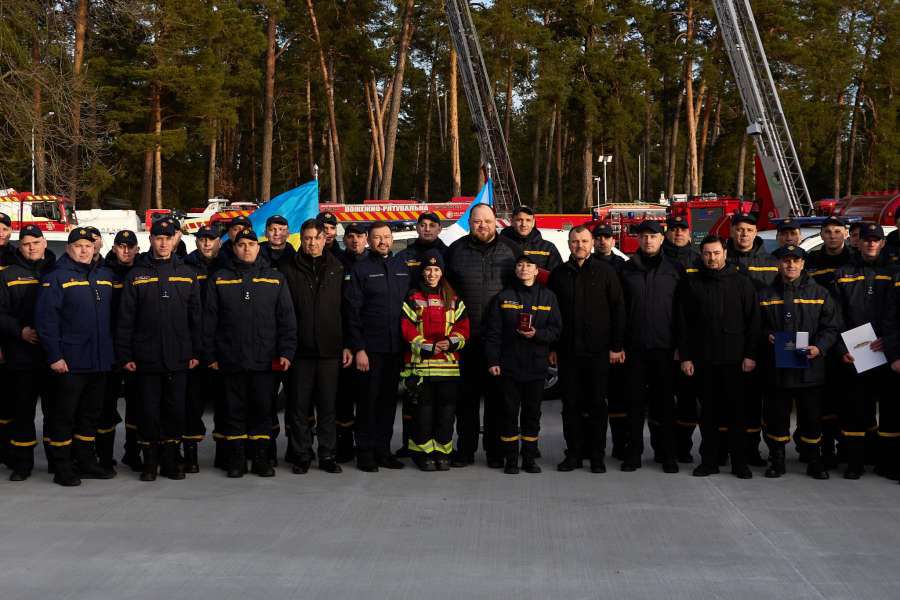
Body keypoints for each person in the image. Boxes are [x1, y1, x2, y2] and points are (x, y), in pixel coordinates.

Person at [203, 229, 296, 478]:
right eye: (241, 244)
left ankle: (261, 460)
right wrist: (210, 355)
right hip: (230, 360)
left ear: (258, 247)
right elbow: (209, 321)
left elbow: (286, 319)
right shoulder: (220, 278)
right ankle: (236, 461)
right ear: (234, 248)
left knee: (262, 411)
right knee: (233, 411)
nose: (246, 249)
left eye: (251, 244)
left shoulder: (274, 278)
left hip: (265, 360)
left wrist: (286, 351)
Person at [115, 219, 202, 482]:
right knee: (148, 411)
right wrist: (126, 355)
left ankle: (170, 461)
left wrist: (196, 352)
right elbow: (125, 320)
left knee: (174, 411)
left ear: (175, 239)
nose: (163, 243)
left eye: (168, 237)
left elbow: (196, 318)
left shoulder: (187, 274)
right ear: (151, 240)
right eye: (158, 238)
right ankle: (150, 463)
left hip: (178, 357)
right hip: (146, 358)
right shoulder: (137, 275)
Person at [35, 228, 117, 486]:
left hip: (99, 361)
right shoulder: (56, 278)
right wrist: (55, 356)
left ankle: (86, 462)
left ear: (96, 248)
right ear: (69, 248)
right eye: (78, 245)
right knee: (64, 416)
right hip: (69, 363)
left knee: (89, 416)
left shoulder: (104, 276)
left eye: (88, 245)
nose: (84, 250)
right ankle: (62, 467)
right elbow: (46, 322)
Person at [677, 235, 760, 479]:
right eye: (707, 254)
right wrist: (686, 357)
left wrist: (750, 355)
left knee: (737, 414)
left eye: (716, 253)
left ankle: (739, 463)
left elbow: (753, 322)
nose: (711, 258)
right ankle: (709, 461)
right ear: (701, 255)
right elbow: (683, 324)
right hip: (704, 360)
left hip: (735, 361)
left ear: (725, 252)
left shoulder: (742, 283)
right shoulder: (692, 284)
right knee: (709, 415)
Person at [445, 203, 521, 467]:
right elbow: (446, 292)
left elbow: (521, 290)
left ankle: (495, 451)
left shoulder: (511, 250)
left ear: (495, 222)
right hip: (465, 339)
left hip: (499, 340)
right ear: (470, 223)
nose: (482, 226)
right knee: (465, 399)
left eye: (487, 221)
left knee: (497, 400)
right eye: (477, 221)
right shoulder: (455, 251)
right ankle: (465, 450)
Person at [757, 245, 840, 479]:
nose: (790, 265)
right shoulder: (765, 294)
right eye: (786, 260)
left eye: (795, 260)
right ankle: (777, 461)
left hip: (810, 369)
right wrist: (767, 336)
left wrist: (819, 347)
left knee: (812, 418)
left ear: (803, 264)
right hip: (777, 369)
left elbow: (831, 327)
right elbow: (755, 326)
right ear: (778, 264)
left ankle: (814, 462)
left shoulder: (820, 294)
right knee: (776, 418)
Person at [548, 225, 625, 473]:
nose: (579, 245)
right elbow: (551, 314)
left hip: (599, 351)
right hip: (569, 351)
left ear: (591, 243)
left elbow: (618, 310)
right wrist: (552, 347)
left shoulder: (606, 272)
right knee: (570, 405)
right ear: (568, 244)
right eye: (574, 241)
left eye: (583, 241)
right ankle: (573, 454)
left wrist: (616, 346)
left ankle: (597, 455)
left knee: (596, 405)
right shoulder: (558, 274)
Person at [831, 222, 898, 479]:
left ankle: (887, 463)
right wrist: (841, 348)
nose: (870, 243)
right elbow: (834, 317)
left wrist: (890, 343)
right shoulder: (843, 273)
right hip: (855, 353)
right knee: (856, 410)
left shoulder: (894, 274)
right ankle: (855, 462)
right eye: (866, 239)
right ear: (857, 242)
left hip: (886, 352)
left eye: (875, 240)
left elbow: (896, 315)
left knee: (891, 411)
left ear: (882, 244)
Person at [485, 254, 561, 474]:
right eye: (520, 265)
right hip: (508, 366)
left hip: (536, 367)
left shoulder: (548, 297)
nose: (524, 269)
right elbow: (493, 333)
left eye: (529, 265)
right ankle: (510, 460)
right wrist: (492, 360)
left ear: (537, 271)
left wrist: (537, 334)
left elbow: (556, 330)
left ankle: (529, 458)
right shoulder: (504, 297)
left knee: (532, 414)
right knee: (508, 413)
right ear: (515, 270)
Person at [343, 222, 410, 472]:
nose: (382, 241)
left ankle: (383, 451)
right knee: (368, 402)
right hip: (370, 350)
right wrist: (358, 348)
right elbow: (352, 312)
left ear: (393, 239)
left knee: (388, 403)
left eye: (386, 237)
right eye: (377, 237)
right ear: (369, 241)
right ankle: (365, 453)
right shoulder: (360, 270)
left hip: (396, 348)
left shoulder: (401, 267)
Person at [281, 219, 345, 474]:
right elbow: (284, 313)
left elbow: (346, 310)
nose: (311, 243)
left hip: (330, 349)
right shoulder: (288, 270)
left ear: (324, 238)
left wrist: (347, 346)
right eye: (306, 238)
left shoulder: (338, 268)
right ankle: (302, 454)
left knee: (328, 407)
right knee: (298, 407)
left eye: (316, 238)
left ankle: (328, 454)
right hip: (300, 351)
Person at [619, 220, 682, 473]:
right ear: (638, 239)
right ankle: (633, 453)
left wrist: (681, 346)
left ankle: (667, 454)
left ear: (661, 238)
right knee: (633, 404)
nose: (648, 241)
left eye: (653, 236)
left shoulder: (675, 269)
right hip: (634, 349)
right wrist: (619, 344)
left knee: (665, 405)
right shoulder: (626, 270)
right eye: (644, 236)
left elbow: (681, 312)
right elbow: (619, 310)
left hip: (665, 349)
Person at [400, 249, 469, 471]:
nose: (431, 274)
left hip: (448, 368)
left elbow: (463, 328)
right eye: (428, 269)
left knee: (446, 413)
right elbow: (406, 327)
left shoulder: (454, 299)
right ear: (422, 273)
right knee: (423, 413)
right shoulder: (413, 297)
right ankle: (423, 454)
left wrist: (450, 342)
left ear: (442, 272)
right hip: (420, 366)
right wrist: (425, 345)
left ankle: (443, 451)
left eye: (436, 269)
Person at [0, 226, 56, 480]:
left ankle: (57, 460)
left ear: (45, 243)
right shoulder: (8, 275)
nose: (31, 247)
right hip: (21, 355)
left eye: (36, 242)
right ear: (19, 246)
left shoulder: (57, 272)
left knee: (56, 413)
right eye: (26, 244)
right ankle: (22, 464)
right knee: (23, 412)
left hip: (53, 356)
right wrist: (19, 330)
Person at [394, 211, 449, 455]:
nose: (427, 229)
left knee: (437, 402)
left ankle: (434, 443)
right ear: (417, 228)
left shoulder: (448, 253)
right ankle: (409, 444)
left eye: (432, 225)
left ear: (439, 229)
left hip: (440, 339)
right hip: (410, 328)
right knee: (412, 395)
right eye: (423, 225)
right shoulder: (404, 255)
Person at [726, 213, 778, 466]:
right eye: (739, 229)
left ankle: (752, 450)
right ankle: (727, 448)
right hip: (729, 340)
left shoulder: (771, 262)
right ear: (732, 231)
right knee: (728, 399)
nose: (744, 234)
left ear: (756, 231)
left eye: (749, 229)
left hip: (761, 342)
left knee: (755, 402)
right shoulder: (721, 258)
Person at [806, 216, 855, 466]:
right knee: (823, 400)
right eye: (828, 231)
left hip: (852, 339)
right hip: (822, 339)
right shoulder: (811, 262)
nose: (833, 235)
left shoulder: (854, 260)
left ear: (845, 234)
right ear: (821, 235)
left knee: (849, 399)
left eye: (838, 231)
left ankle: (847, 449)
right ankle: (825, 450)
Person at [97, 230, 138, 472]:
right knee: (105, 406)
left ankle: (132, 453)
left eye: (129, 246)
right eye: (121, 246)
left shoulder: (142, 272)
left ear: (136, 249)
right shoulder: (103, 273)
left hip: (136, 350)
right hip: (110, 349)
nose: (125, 250)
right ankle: (104, 456)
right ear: (113, 248)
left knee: (137, 405)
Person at [662, 215, 701, 463]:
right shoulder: (659, 259)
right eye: (674, 229)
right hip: (662, 341)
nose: (678, 233)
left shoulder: (699, 260)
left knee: (688, 400)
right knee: (663, 399)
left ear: (689, 232)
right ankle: (664, 448)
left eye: (682, 229)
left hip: (690, 342)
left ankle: (684, 447)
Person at [183, 226, 222, 472]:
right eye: (202, 240)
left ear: (219, 242)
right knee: (192, 404)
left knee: (225, 404)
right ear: (196, 242)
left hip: (221, 346)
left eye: (211, 240)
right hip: (195, 345)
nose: (207, 244)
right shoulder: (185, 267)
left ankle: (225, 453)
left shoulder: (229, 266)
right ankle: (190, 453)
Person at [592, 223, 628, 458]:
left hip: (616, 342)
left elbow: (623, 307)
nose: (603, 241)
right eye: (599, 237)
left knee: (617, 398)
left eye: (607, 237)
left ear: (613, 241)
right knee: (593, 398)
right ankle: (592, 445)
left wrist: (619, 343)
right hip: (592, 342)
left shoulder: (624, 267)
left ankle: (620, 444)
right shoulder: (587, 265)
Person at [334, 222, 368, 463]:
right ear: (344, 240)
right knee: (343, 399)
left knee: (367, 399)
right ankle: (344, 445)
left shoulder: (375, 263)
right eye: (351, 236)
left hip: (371, 342)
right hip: (344, 342)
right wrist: (346, 343)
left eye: (359, 236)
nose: (355, 240)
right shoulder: (336, 265)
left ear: (366, 238)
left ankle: (366, 445)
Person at [499, 205, 562, 273]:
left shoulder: (548, 248)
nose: (524, 224)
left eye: (528, 220)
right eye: (519, 220)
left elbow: (558, 276)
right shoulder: (499, 245)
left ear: (533, 222)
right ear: (512, 221)